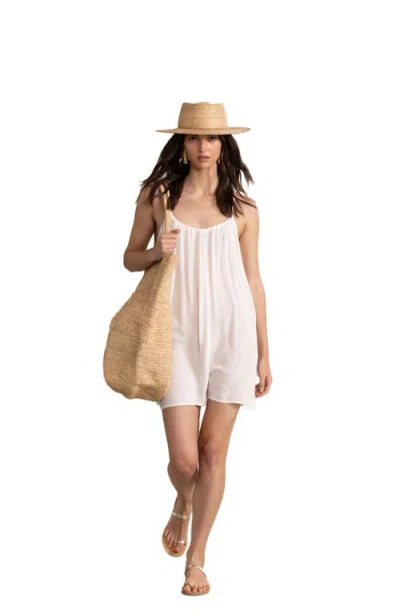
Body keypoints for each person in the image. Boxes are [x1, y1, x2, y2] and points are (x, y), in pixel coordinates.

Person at [123, 102, 273, 596]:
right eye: (192, 137)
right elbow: (129, 258)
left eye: (211, 138)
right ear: (182, 143)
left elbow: (253, 281)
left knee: (213, 453)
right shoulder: (159, 196)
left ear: (224, 145)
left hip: (233, 336)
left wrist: (264, 352)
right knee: (186, 461)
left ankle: (197, 559)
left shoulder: (244, 208)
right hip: (176, 336)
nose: (202, 146)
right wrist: (156, 251)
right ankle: (183, 501)